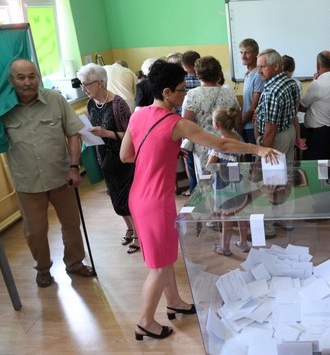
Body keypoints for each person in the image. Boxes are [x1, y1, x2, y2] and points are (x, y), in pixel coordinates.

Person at [119, 59, 279, 341]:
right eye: (181, 90)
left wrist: (156, 156)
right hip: (157, 201)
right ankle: (144, 321)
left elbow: (126, 156)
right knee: (158, 267)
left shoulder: (138, 114)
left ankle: (174, 302)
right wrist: (258, 148)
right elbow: (221, 143)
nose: (184, 94)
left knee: (164, 258)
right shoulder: (175, 123)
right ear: (166, 92)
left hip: (138, 196)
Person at [0, 58, 95, 288]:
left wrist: (75, 167)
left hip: (61, 177)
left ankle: (74, 263)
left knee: (71, 224)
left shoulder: (54, 99)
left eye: (32, 76)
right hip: (27, 182)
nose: (28, 82)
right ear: (11, 80)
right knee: (35, 231)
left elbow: (73, 133)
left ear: (38, 76)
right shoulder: (2, 108)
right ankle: (43, 268)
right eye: (21, 77)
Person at [76, 63, 137, 254]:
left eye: (86, 84)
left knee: (127, 198)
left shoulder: (119, 104)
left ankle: (138, 234)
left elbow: (131, 136)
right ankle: (129, 227)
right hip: (104, 157)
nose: (83, 88)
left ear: (100, 83)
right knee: (114, 195)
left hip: (122, 158)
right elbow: (94, 129)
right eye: (81, 84)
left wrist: (107, 133)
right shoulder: (90, 104)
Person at [182, 56, 241, 181]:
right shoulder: (229, 93)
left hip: (204, 145)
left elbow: (186, 125)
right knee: (231, 181)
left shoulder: (192, 95)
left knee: (207, 184)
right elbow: (238, 121)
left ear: (198, 74)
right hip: (229, 143)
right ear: (218, 73)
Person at [206, 107, 250, 256]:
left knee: (226, 216)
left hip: (223, 186)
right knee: (241, 212)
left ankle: (225, 248)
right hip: (239, 182)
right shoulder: (238, 137)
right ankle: (244, 242)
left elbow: (210, 166)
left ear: (216, 124)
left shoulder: (219, 143)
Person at [299, 51, 330, 160]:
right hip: (329, 131)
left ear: (318, 65)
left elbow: (301, 106)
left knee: (313, 167)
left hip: (317, 135)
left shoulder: (318, 84)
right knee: (325, 167)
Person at [255, 48, 300, 159]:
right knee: (287, 171)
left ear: (275, 67)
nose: (258, 71)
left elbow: (270, 130)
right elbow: (294, 110)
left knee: (273, 174)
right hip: (289, 131)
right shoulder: (291, 82)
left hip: (276, 138)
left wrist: (265, 154)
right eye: (258, 67)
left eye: (262, 67)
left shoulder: (272, 92)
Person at [180, 50, 202, 197]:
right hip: (205, 128)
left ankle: (194, 191)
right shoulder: (205, 79)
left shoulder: (183, 81)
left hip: (187, 126)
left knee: (189, 161)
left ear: (183, 65)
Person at [239, 38, 264, 161]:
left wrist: (240, 123)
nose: (243, 56)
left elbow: (254, 107)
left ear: (256, 54)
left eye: (247, 53)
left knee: (255, 165)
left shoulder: (258, 75)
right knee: (248, 164)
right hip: (246, 126)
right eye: (241, 53)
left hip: (253, 128)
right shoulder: (247, 74)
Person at [280, 54, 306, 151]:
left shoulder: (274, 82)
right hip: (290, 120)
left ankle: (298, 139)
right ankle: (299, 139)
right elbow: (297, 106)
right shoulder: (296, 83)